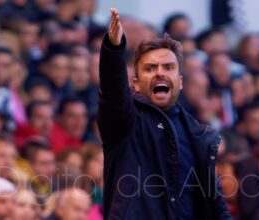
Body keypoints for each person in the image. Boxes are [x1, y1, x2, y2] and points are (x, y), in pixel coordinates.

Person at [98, 8, 232, 219]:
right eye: (150, 68)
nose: (160, 72)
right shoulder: (124, 121)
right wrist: (113, 49)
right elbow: (112, 89)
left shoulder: (197, 134)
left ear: (179, 81)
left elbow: (216, 205)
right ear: (136, 84)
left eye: (168, 67)